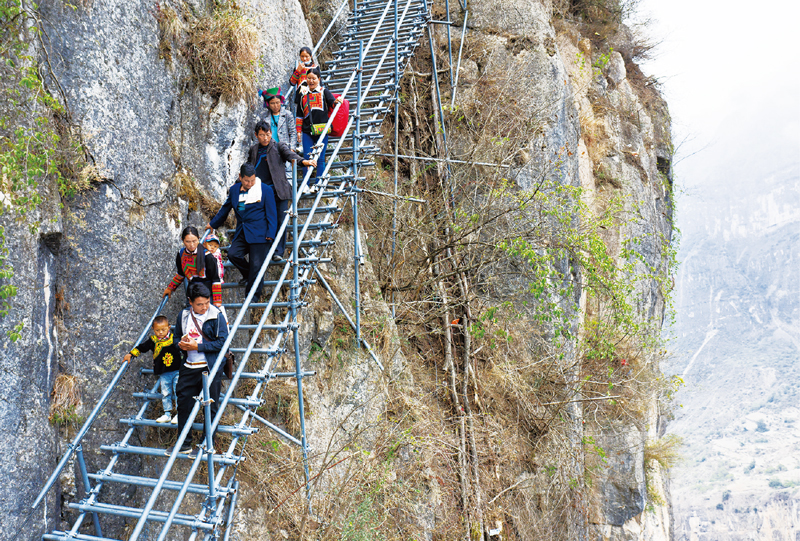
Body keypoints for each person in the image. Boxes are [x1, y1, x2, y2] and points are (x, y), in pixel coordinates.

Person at [171, 283, 229, 455]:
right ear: (190, 302)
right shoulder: (183, 316)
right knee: (183, 404)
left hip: (209, 368)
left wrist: (198, 346)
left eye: (207, 302)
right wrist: (180, 345)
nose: (204, 307)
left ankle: (205, 444)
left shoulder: (216, 315)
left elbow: (223, 342)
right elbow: (175, 338)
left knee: (210, 407)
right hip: (189, 367)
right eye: (199, 304)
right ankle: (184, 443)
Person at [247, 120, 316, 260]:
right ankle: (267, 249)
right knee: (264, 221)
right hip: (261, 193)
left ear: (271, 133)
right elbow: (248, 169)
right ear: (256, 135)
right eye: (261, 135)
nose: (265, 138)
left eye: (267, 134)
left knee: (280, 220)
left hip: (279, 191)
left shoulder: (278, 146)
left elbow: (290, 155)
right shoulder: (253, 150)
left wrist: (303, 161)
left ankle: (278, 252)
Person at [206, 163, 277, 299]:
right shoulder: (234, 190)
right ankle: (249, 276)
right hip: (243, 231)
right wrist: (213, 224)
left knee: (256, 265)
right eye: (246, 181)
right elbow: (225, 209)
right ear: (240, 177)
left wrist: (270, 234)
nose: (250, 183)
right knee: (233, 254)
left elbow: (272, 214)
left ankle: (252, 297)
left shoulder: (265, 190)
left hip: (260, 234)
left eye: (252, 180)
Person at [124, 315, 183, 424]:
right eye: (157, 330)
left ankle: (180, 413)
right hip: (164, 372)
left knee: (179, 391)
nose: (160, 332)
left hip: (177, 371)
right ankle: (167, 414)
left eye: (163, 330)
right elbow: (142, 347)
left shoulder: (174, 338)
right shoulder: (153, 340)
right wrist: (131, 354)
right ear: (153, 329)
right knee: (165, 393)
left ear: (169, 327)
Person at [295, 67, 343, 184]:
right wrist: (298, 131)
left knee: (320, 158)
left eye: (314, 79)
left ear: (319, 79)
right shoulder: (303, 94)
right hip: (307, 131)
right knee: (307, 158)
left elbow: (332, 102)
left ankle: (318, 182)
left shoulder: (323, 91)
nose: (311, 81)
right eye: (309, 78)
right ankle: (305, 185)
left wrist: (338, 100)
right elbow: (299, 114)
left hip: (322, 130)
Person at [163, 226, 222, 307]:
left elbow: (215, 278)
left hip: (207, 293)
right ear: (182, 240)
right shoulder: (181, 254)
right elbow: (181, 274)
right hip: (192, 292)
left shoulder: (207, 256)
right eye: (188, 241)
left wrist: (217, 301)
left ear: (198, 238)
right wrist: (170, 288)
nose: (191, 245)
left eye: (194, 241)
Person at [260, 87, 298, 152]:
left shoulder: (287, 114)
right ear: (268, 104)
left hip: (284, 149)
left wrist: (292, 148)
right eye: (272, 103)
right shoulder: (264, 116)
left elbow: (293, 132)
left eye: (277, 102)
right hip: (269, 149)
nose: (276, 106)